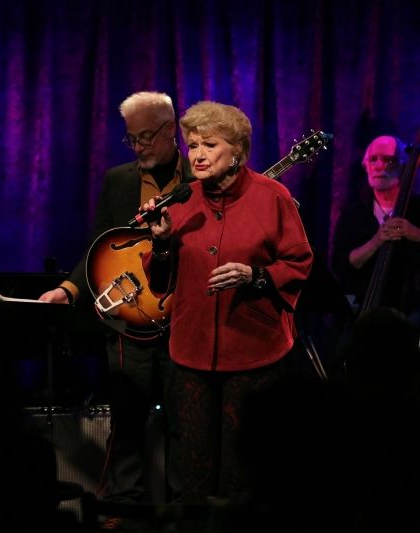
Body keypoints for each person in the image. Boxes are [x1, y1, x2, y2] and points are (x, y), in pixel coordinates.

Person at [141, 100, 313, 503]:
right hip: (192, 353)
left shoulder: (273, 196)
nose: (198, 155)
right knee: (194, 472)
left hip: (254, 353)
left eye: (210, 145)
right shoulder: (180, 201)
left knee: (244, 473)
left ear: (237, 151)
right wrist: (161, 243)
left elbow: (299, 262)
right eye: (193, 145)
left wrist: (255, 275)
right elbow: (160, 283)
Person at [39, 91, 193, 515]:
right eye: (132, 139)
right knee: (126, 420)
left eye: (146, 137)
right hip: (131, 317)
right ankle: (120, 512)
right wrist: (69, 289)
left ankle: (186, 511)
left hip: (183, 317)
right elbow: (98, 247)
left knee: (185, 422)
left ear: (171, 130)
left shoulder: (199, 178)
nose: (139, 146)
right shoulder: (119, 180)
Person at [330, 135, 420, 323]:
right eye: (373, 159)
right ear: (365, 165)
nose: (379, 166)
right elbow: (343, 264)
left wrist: (416, 234)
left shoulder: (417, 207)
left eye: (388, 159)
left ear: (404, 166)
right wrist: (376, 241)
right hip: (363, 307)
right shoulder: (353, 212)